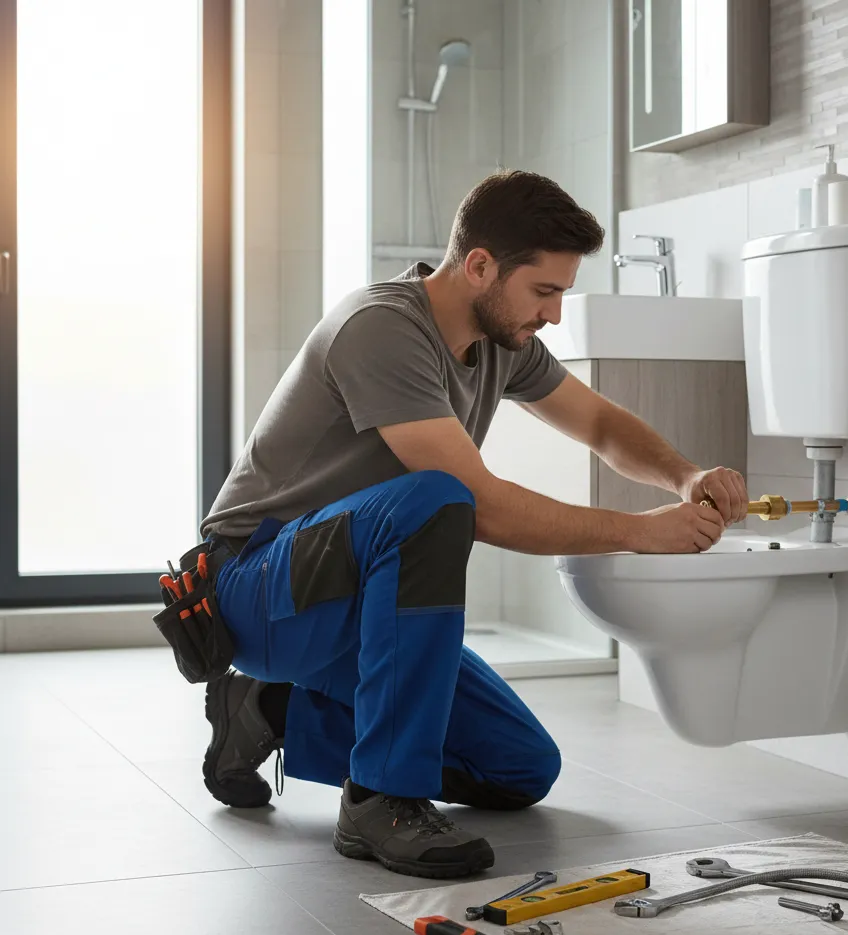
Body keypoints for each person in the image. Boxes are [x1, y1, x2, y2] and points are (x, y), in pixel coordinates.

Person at [199, 169, 747, 879]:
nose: (552, 314)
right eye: (543, 291)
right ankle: (381, 799)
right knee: (438, 498)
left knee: (520, 768)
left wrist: (686, 477)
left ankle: (270, 713)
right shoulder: (381, 327)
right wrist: (643, 530)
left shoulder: (500, 340)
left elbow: (601, 422)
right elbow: (479, 505)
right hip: (257, 583)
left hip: (353, 592)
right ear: (481, 265)